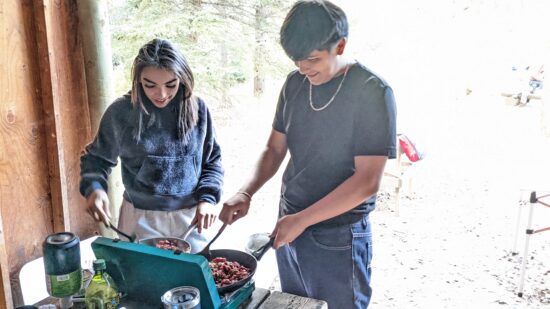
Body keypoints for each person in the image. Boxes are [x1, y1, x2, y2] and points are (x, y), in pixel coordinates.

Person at [219, 1, 396, 308]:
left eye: (312, 59)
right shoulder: (294, 83)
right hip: (289, 223)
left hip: (338, 235)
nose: (303, 68)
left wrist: (302, 220)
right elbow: (274, 149)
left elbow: (367, 181)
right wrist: (245, 192)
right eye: (297, 60)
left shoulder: (372, 92)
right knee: (295, 304)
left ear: (339, 46)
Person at [80, 38, 223, 253]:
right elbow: (95, 161)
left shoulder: (198, 110)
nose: (162, 94)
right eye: (150, 85)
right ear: (138, 81)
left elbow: (212, 161)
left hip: (192, 217)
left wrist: (208, 199)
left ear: (183, 79)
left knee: (194, 281)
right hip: (140, 216)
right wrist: (95, 189)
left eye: (171, 84)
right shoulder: (121, 113)